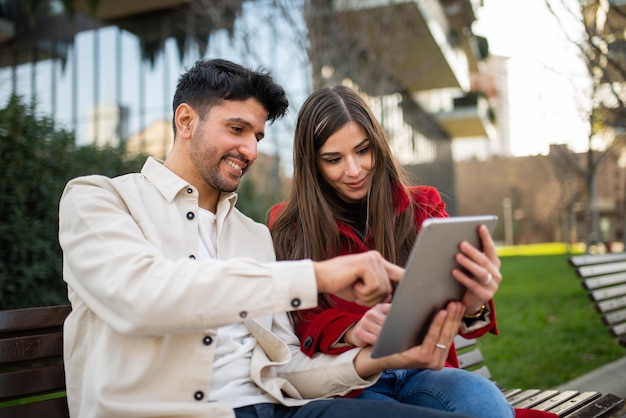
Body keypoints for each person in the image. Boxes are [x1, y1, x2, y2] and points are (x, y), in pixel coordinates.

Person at [58, 59, 478, 418]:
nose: (251, 150)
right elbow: (142, 299)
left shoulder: (254, 235)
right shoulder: (99, 199)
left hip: (275, 407)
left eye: (257, 136)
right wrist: (318, 278)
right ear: (186, 121)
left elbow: (286, 364)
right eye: (237, 129)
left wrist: (375, 360)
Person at [269, 85, 558, 418]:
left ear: (378, 145)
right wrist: (353, 329)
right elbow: (298, 318)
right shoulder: (289, 226)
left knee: (486, 404)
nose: (354, 169)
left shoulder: (422, 206)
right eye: (333, 159)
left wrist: (475, 300)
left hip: (423, 369)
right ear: (313, 165)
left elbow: (455, 298)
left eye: (363, 151)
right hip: (348, 380)